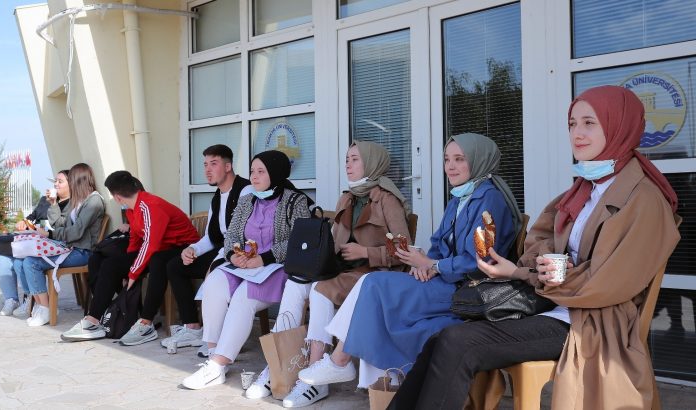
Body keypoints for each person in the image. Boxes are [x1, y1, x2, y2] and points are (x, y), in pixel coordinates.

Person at [388, 85, 681, 409]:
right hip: (551, 304)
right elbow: (539, 244)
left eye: (589, 123)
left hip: (590, 320)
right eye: (572, 123)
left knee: (458, 341)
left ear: (619, 126)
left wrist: (543, 273)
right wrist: (522, 270)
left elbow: (609, 282)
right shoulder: (584, 190)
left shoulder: (643, 200)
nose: (577, 133)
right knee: (441, 338)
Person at [297, 133, 520, 392]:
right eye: (447, 159)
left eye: (459, 159)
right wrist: (424, 264)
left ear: (479, 160)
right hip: (444, 279)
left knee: (374, 285)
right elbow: (438, 243)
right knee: (372, 285)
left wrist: (433, 265)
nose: (450, 166)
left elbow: (479, 261)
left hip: (467, 289)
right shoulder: (459, 198)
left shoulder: (489, 200)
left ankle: (341, 361)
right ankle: (359, 374)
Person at [245, 141, 411, 407]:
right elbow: (334, 241)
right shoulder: (347, 197)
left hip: (373, 274)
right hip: (340, 269)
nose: (348, 164)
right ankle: (276, 365)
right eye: (346, 159)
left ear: (372, 163)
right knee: (295, 284)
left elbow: (403, 251)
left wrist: (366, 252)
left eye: (355, 159)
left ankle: (316, 379)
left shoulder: (387, 200)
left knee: (321, 289)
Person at [181, 150, 312, 390]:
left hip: (276, 267)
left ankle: (218, 365)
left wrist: (264, 258)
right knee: (213, 283)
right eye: (252, 171)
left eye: (261, 171)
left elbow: (299, 241)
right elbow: (231, 235)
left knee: (244, 297)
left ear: (276, 173)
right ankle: (213, 354)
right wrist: (233, 254)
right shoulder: (247, 200)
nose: (254, 176)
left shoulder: (295, 201)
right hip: (244, 265)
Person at [60, 171, 200, 344]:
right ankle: (93, 321)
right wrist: (127, 265)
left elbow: (150, 245)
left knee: (157, 260)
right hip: (163, 248)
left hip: (186, 248)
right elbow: (135, 239)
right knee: (112, 264)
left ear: (117, 197)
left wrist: (133, 273)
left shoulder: (150, 206)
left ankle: (146, 324)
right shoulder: (132, 209)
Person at [160, 145, 252, 354]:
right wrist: (192, 249)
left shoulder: (245, 191)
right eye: (205, 165)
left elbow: (245, 233)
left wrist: (219, 258)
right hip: (222, 250)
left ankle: (223, 337)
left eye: (213, 164)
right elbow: (212, 236)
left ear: (228, 166)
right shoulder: (217, 197)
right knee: (175, 265)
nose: (207, 170)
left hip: (241, 253)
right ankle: (192, 327)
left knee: (216, 272)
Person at [20, 163, 105, 327]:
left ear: (78, 180)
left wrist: (50, 235)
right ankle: (43, 308)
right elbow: (61, 224)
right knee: (27, 259)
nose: (59, 185)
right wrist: (53, 204)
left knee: (31, 262)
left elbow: (76, 232)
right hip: (72, 248)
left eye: (69, 180)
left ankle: (46, 310)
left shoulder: (94, 201)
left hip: (84, 252)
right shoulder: (81, 201)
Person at [0, 169, 71, 317]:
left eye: (60, 181)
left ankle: (33, 300)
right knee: (0, 258)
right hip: (33, 240)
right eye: (55, 181)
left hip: (50, 244)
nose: (55, 184)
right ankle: (12, 299)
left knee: (20, 262)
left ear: (71, 184)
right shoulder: (44, 200)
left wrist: (54, 204)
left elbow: (62, 228)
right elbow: (31, 218)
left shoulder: (71, 205)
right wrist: (24, 222)